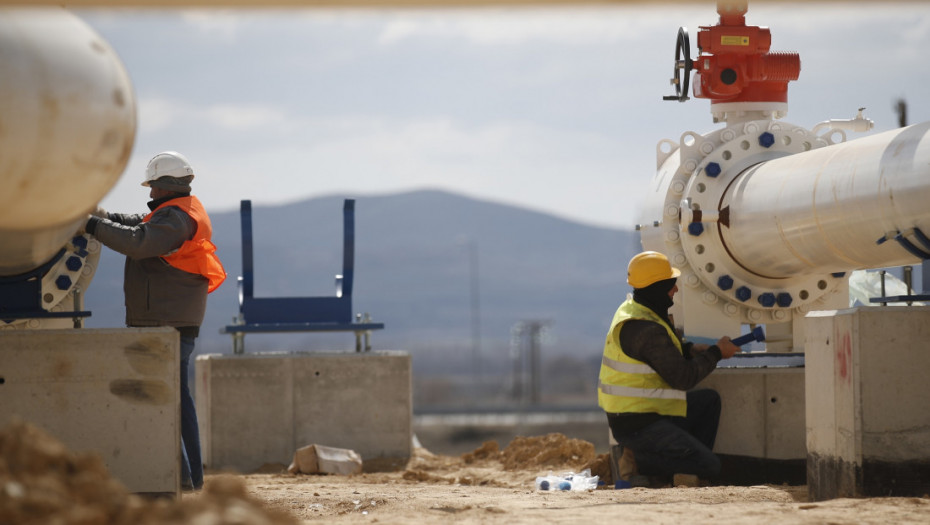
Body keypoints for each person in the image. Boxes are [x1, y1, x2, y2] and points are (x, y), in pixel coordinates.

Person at [84, 151, 226, 491]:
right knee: (176, 401)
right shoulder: (177, 213)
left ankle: (181, 480)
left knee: (165, 404)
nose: (149, 194)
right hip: (171, 320)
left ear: (163, 186)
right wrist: (105, 217)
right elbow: (137, 223)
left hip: (167, 324)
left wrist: (91, 225)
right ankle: (189, 480)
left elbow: (139, 241)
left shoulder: (176, 220)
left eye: (152, 187)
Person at [598, 251, 739, 487]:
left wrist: (693, 349)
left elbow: (660, 353)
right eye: (671, 285)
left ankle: (682, 467)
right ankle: (639, 463)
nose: (675, 290)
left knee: (708, 401)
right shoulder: (645, 328)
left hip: (644, 412)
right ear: (657, 287)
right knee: (711, 466)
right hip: (638, 425)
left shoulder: (637, 309)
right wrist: (716, 353)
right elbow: (683, 378)